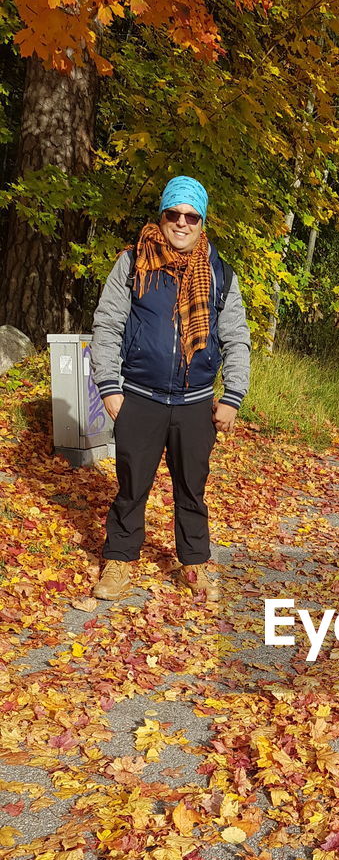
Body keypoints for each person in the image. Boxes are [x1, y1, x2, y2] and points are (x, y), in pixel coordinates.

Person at [90, 175, 251, 601]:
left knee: (192, 490)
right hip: (139, 397)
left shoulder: (220, 273)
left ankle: (194, 565)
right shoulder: (132, 262)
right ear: (161, 216)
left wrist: (233, 395)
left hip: (196, 402)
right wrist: (109, 388)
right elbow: (107, 325)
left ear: (203, 222)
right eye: (173, 214)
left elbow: (236, 336)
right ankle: (119, 563)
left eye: (191, 216)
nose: (181, 223)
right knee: (131, 486)